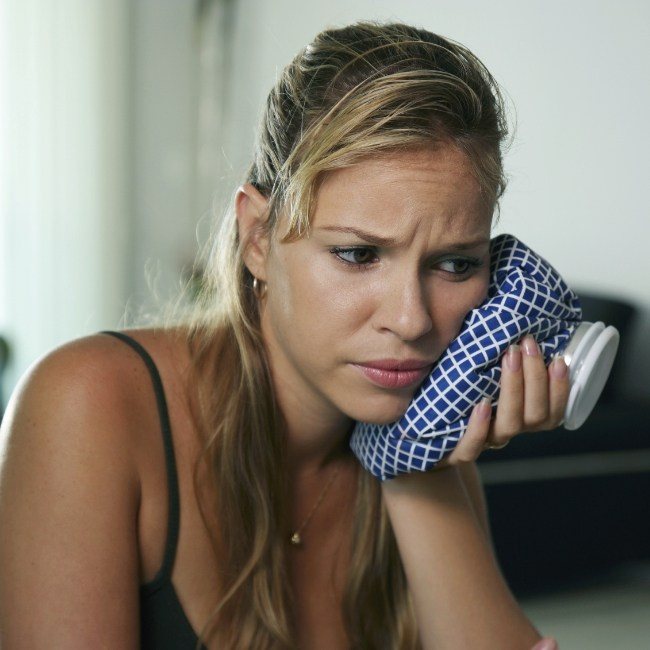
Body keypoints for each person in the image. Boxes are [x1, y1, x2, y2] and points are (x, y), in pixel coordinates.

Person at [0, 21, 566, 649]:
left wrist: (415, 464)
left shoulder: (425, 439)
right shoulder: (89, 404)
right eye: (358, 254)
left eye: (456, 264)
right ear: (258, 239)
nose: (411, 321)